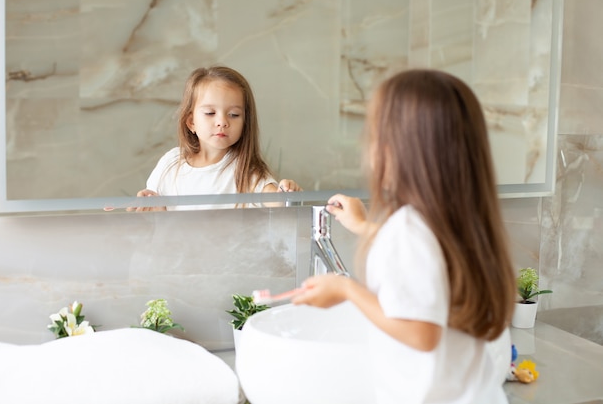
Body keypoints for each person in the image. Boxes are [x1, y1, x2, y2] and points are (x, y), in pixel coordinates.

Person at [292, 69, 516, 403]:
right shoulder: (462, 223)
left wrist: (346, 288)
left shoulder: (407, 229)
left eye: (372, 134)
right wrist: (365, 228)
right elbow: (429, 262)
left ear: (399, 150)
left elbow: (421, 333)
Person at [129, 65, 301, 211]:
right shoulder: (171, 163)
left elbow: (276, 201)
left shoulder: (245, 171)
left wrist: (286, 193)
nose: (222, 122)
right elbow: (150, 214)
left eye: (234, 114)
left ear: (245, 123)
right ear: (191, 122)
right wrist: (146, 206)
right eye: (210, 113)